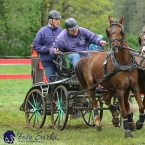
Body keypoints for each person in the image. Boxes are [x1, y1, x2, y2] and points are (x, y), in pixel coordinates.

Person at [32, 10, 63, 82]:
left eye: (59, 19)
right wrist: (46, 49)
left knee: (64, 81)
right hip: (48, 62)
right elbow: (35, 46)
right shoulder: (42, 31)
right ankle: (50, 93)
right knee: (52, 82)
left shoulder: (61, 31)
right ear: (50, 21)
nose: (58, 21)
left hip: (60, 62)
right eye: (56, 19)